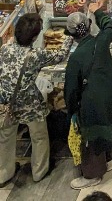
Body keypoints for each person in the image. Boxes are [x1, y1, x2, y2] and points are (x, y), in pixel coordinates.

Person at [0, 12, 67, 187]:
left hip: (6, 104)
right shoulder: (35, 55)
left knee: (6, 137)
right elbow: (61, 55)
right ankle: (39, 171)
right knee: (39, 137)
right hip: (30, 104)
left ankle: (4, 173)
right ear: (35, 37)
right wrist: (68, 35)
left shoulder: (4, 49)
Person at [65, 8, 112, 190]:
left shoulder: (75, 58)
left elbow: (71, 90)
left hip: (92, 103)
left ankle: (92, 174)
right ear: (89, 25)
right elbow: (110, 26)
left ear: (71, 34)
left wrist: (72, 111)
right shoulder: (100, 41)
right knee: (111, 128)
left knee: (92, 140)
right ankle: (109, 160)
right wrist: (98, 9)